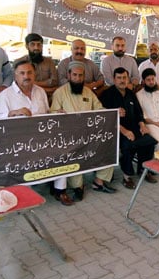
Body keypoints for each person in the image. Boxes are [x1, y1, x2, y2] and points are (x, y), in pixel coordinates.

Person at [50, 62, 116, 203]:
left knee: (110, 144)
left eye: (81, 75)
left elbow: (99, 109)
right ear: (68, 75)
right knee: (74, 152)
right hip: (69, 137)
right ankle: (77, 186)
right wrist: (58, 114)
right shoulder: (60, 93)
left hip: (90, 134)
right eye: (75, 75)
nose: (78, 78)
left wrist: (113, 113)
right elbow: (52, 115)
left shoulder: (88, 92)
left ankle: (100, 181)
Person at [100, 68, 157, 189]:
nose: (122, 81)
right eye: (119, 78)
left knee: (149, 141)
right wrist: (124, 131)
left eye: (124, 78)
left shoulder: (131, 93)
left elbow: (138, 112)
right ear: (114, 79)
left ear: (128, 79)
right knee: (128, 144)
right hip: (115, 130)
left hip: (134, 128)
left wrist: (142, 125)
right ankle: (127, 177)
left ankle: (143, 169)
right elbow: (105, 117)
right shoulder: (107, 95)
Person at [13, 33, 59, 99]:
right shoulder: (19, 63)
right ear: (27, 46)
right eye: (32, 44)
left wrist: (32, 83)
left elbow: (54, 81)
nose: (36, 48)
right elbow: (17, 84)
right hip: (24, 97)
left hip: (47, 98)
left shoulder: (49, 62)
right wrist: (47, 88)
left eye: (39, 44)